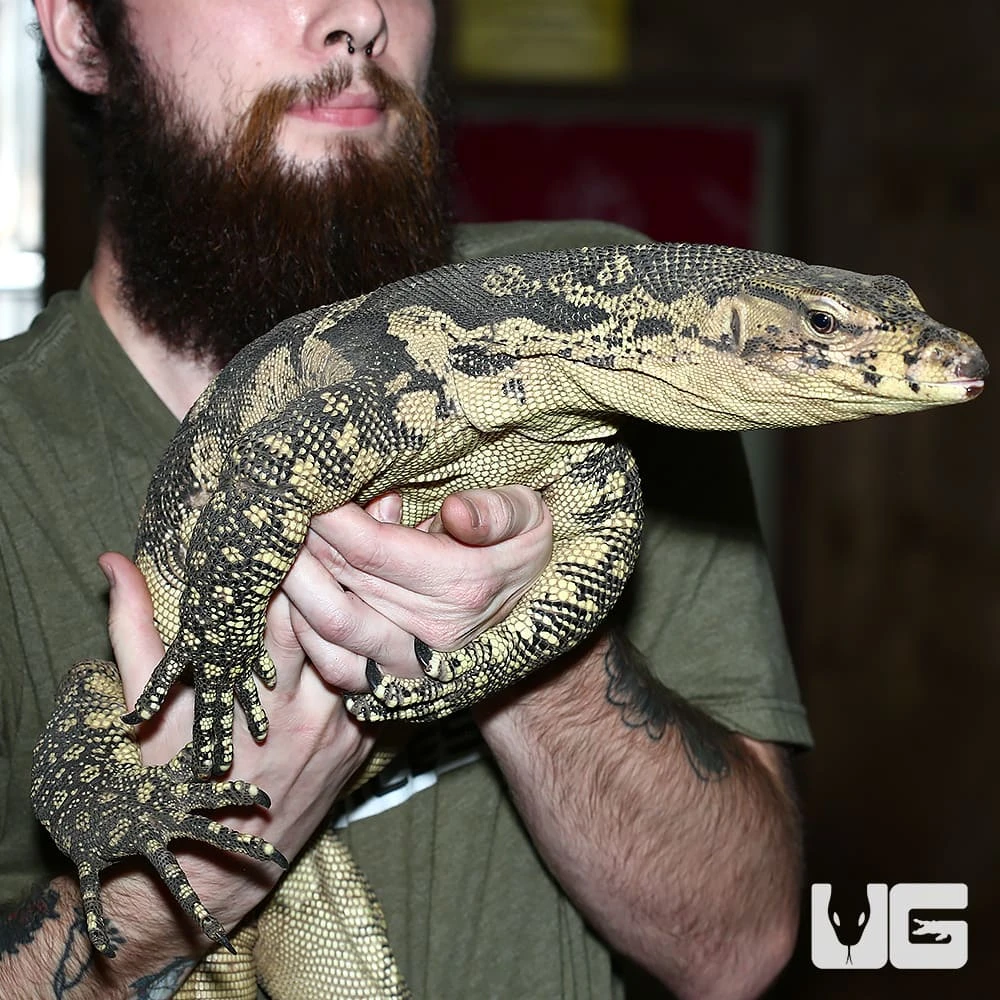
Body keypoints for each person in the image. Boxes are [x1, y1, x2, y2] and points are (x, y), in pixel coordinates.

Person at [0, 1, 811, 997]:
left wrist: (526, 640)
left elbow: (737, 947)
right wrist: (182, 880)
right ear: (81, 31)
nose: (361, 15)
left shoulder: (626, 333)